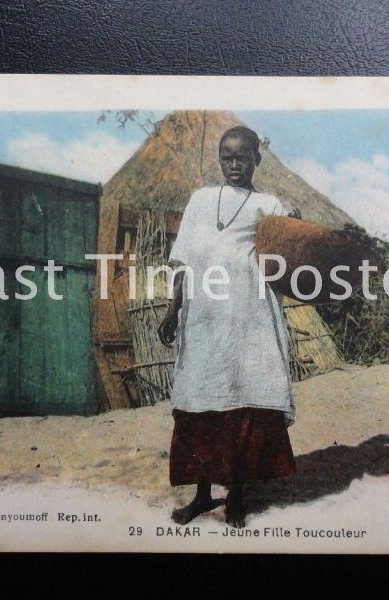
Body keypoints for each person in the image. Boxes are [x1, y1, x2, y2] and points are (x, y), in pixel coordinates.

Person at [158, 126, 300, 528]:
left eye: (241, 156)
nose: (233, 164)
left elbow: (289, 249)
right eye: (226, 156)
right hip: (203, 315)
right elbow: (184, 257)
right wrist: (173, 308)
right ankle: (202, 496)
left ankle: (236, 496)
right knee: (201, 400)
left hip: (246, 316)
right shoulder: (201, 200)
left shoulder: (269, 203)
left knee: (240, 399)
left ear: (257, 157)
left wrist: (294, 227)